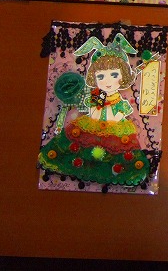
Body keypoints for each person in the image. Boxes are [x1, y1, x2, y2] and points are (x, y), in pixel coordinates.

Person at [38, 33, 150, 189]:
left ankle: (112, 172)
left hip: (115, 131)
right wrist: (97, 109)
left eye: (114, 75)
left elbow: (118, 115)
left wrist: (108, 113)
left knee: (118, 152)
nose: (108, 81)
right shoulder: (98, 95)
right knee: (79, 146)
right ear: (94, 78)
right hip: (92, 127)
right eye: (101, 76)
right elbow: (93, 112)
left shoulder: (119, 102)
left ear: (123, 76)